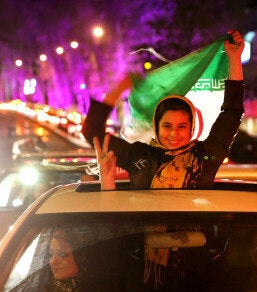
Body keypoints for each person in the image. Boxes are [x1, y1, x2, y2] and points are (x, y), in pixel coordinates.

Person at [83, 30, 245, 189]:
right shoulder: (139, 155)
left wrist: (234, 58)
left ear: (192, 127)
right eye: (167, 126)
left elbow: (233, 112)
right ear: (157, 126)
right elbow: (92, 131)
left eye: (182, 126)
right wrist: (119, 89)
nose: (174, 134)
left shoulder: (206, 156)